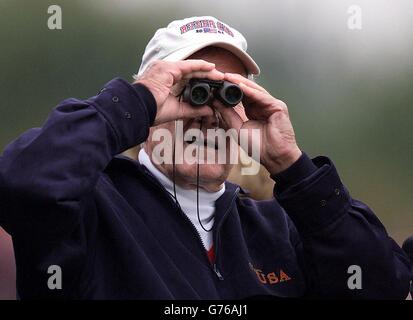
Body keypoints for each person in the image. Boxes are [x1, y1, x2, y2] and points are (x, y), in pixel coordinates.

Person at [0, 16, 411, 299]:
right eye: (192, 90)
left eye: (230, 94)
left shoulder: (277, 229)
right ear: (150, 102)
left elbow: (380, 286)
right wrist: (134, 104)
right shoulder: (93, 211)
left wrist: (293, 167)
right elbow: (22, 182)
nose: (209, 115)